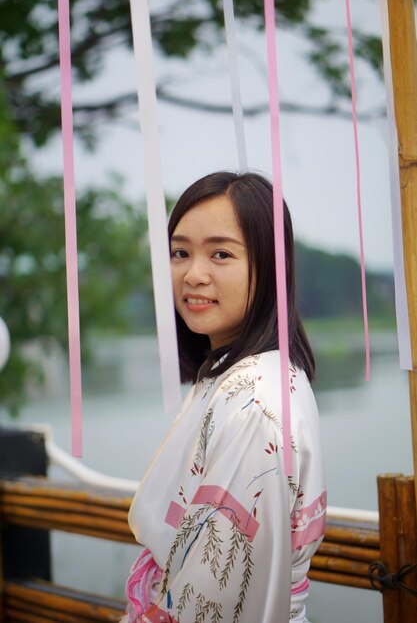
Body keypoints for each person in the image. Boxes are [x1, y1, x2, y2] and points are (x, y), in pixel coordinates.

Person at [122, 171, 326, 623]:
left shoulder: (255, 400)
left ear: (271, 268)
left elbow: (211, 599)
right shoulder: (232, 374)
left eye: (221, 254)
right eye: (180, 252)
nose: (193, 274)